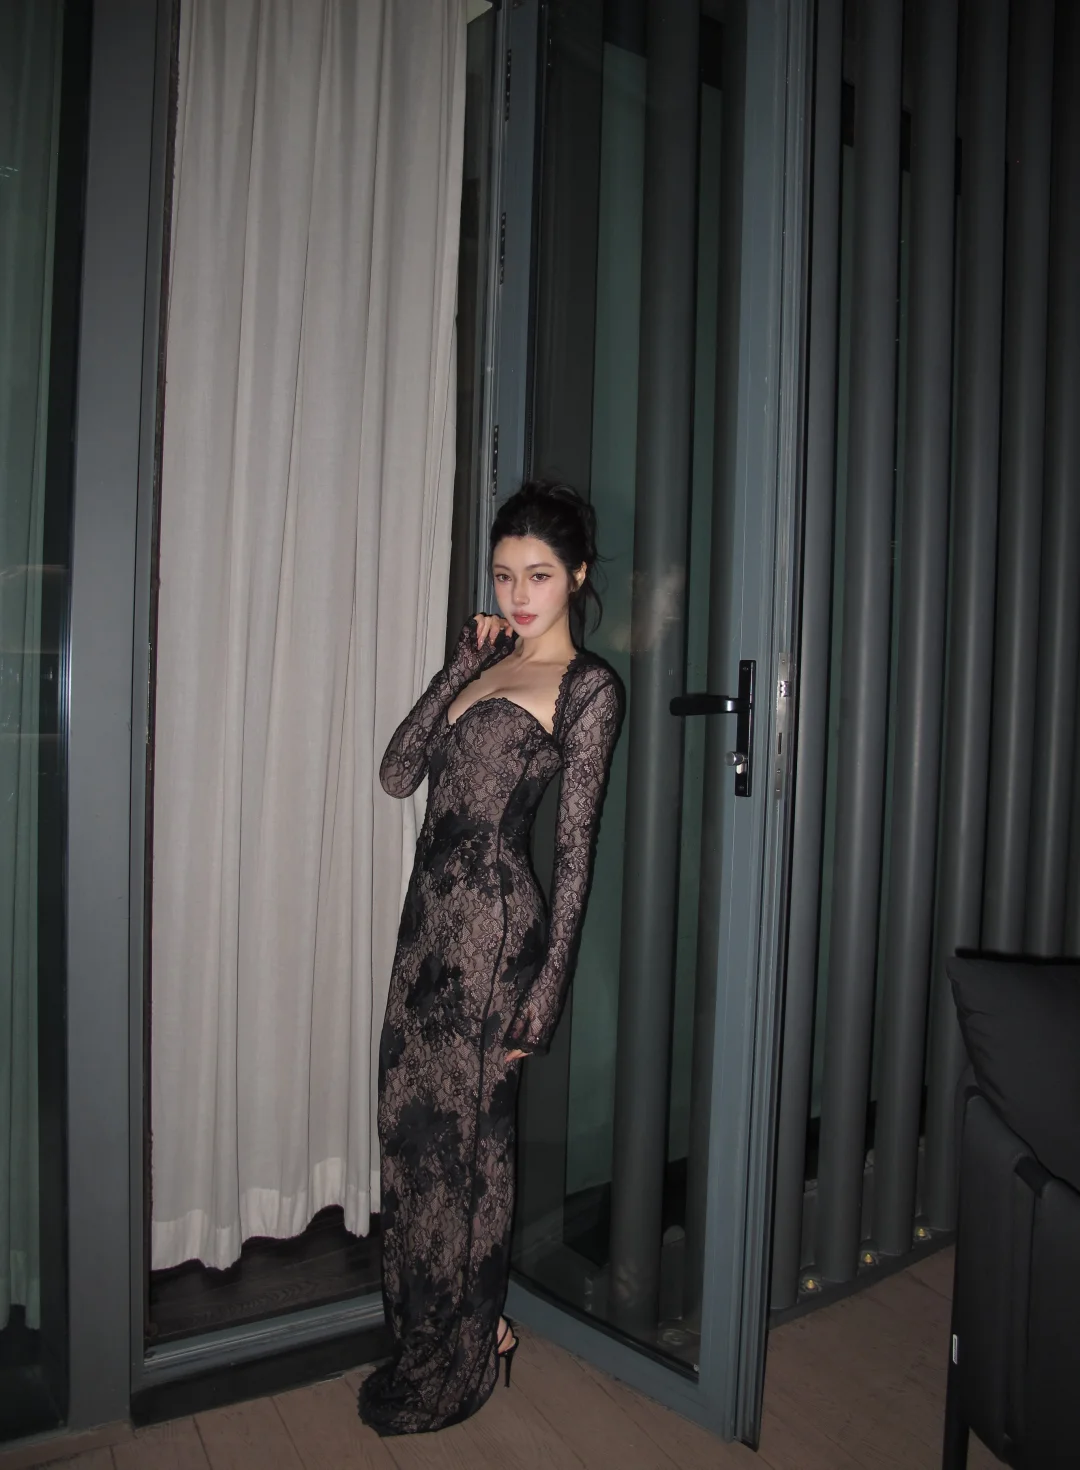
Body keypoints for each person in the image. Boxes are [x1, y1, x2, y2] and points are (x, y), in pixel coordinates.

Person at [357, 481, 625, 1436]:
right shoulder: (487, 661)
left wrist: (547, 988)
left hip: (497, 939)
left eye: (538, 576)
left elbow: (576, 853)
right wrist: (457, 668)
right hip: (426, 929)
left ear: (577, 576)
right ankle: (431, 1334)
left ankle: (469, 1346)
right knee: (408, 1136)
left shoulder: (588, 688)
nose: (518, 594)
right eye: (505, 574)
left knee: (469, 1153)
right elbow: (397, 774)